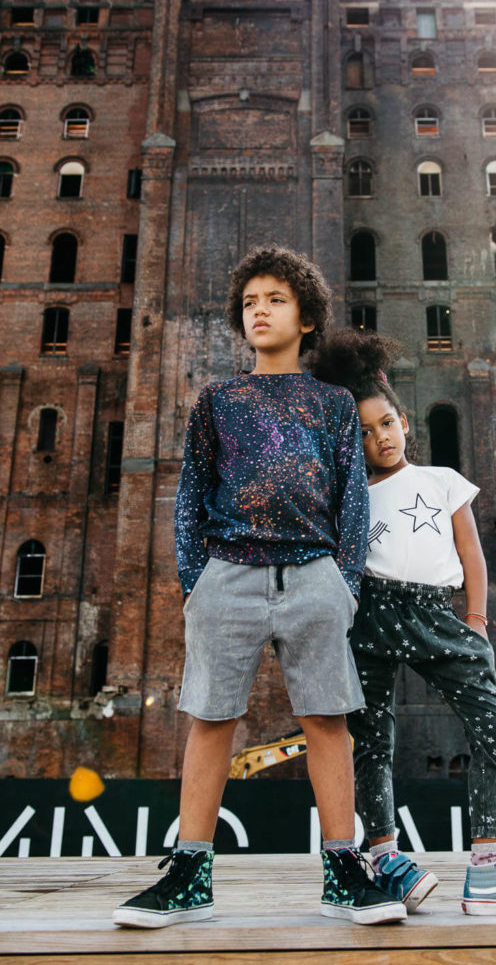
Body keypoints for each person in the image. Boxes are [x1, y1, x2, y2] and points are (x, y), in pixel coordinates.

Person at [113, 248, 406, 928]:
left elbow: (351, 498)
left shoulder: (334, 404)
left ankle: (343, 873)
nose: (259, 311)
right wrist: (196, 582)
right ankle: (188, 877)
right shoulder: (217, 399)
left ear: (305, 317)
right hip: (228, 576)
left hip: (313, 576)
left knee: (327, 723)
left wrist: (344, 582)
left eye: (274, 299)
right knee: (210, 721)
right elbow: (190, 493)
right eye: (249, 302)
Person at [312, 328, 496, 917]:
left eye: (385, 423)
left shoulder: (444, 481)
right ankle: (384, 859)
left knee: (494, 719)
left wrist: (476, 620)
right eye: (362, 431)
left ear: (405, 421)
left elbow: (474, 556)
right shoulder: (348, 494)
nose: (378, 437)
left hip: (437, 612)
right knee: (372, 740)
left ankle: (487, 867)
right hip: (372, 613)